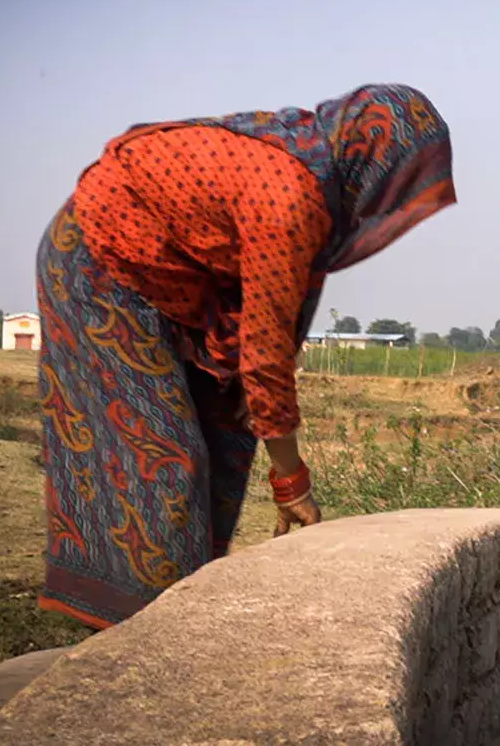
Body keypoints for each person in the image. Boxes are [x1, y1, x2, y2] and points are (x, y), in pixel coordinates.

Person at [33, 84, 456, 629]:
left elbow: (272, 335)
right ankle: (142, 636)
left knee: (227, 432)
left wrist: (257, 406)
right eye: (398, 186)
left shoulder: (316, 186)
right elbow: (265, 356)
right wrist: (292, 484)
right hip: (97, 263)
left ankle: (182, 610)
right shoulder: (291, 196)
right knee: (166, 458)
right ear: (371, 164)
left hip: (170, 279)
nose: (389, 205)